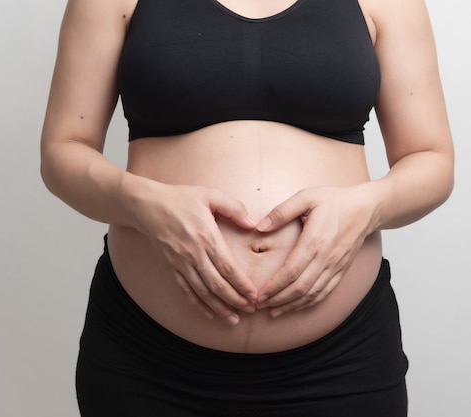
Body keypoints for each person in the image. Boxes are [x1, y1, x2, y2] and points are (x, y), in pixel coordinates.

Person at [40, 0, 454, 415]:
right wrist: (143, 203)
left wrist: (367, 207)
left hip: (342, 361)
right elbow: (64, 151)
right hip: (148, 361)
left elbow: (431, 159)